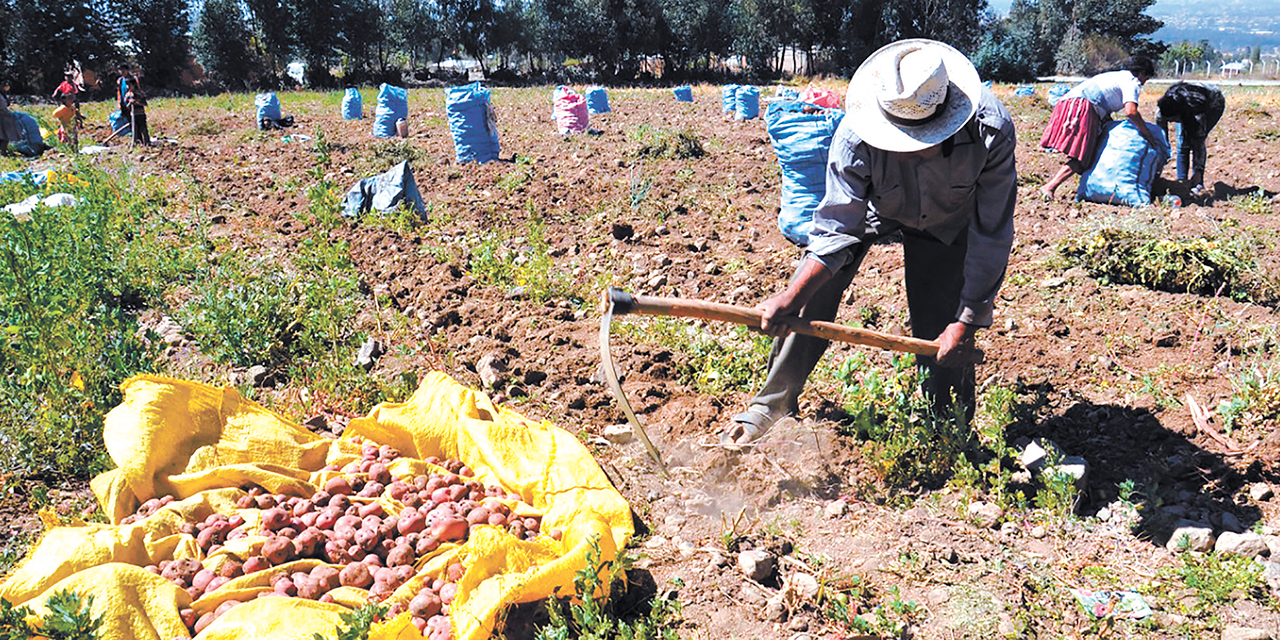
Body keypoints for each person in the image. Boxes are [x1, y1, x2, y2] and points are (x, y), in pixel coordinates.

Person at [720, 39, 1017, 446]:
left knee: (943, 330)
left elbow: (992, 232)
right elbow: (834, 230)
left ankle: (949, 432)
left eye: (919, 143)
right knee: (810, 295)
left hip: (949, 222)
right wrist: (790, 297)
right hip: (878, 209)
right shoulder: (854, 135)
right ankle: (770, 405)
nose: (908, 154)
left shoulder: (990, 130)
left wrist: (967, 322)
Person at [1038, 56, 1162, 201]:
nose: (1144, 82)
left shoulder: (1118, 76)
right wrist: (1146, 132)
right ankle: (1050, 187)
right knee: (1083, 156)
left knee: (1086, 152)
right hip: (1081, 107)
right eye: (1145, 78)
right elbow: (1131, 111)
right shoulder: (1132, 82)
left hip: (1073, 103)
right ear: (1142, 73)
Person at [1156, 82, 1225, 194]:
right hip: (1185, 103)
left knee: (1191, 139)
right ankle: (1182, 181)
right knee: (1182, 144)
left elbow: (1199, 142)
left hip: (1213, 104)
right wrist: (1160, 160)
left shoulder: (1196, 114)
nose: (1173, 123)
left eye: (1174, 120)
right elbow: (1160, 138)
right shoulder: (1161, 111)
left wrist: (1198, 170)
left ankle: (1198, 183)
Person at [125, 76, 151, 147]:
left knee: (143, 129)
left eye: (130, 85)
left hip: (140, 114)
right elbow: (127, 106)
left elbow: (145, 104)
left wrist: (136, 102)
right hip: (133, 115)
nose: (128, 87)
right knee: (135, 129)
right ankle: (137, 142)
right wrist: (129, 104)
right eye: (127, 85)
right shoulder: (128, 95)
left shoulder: (140, 93)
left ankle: (147, 143)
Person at [0, 80, 18, 157]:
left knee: (5, 135)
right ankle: (3, 152)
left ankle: (4, 151)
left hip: (5, 115)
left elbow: (6, 104)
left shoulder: (3, 94)